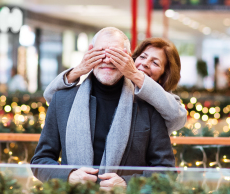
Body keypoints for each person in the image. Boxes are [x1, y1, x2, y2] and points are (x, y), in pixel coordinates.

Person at [31, 27, 176, 187]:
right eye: (101, 53)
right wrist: (68, 176)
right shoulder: (63, 100)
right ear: (90, 53)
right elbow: (40, 161)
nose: (107, 60)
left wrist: (128, 184)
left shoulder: (148, 104)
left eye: (115, 54)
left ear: (128, 58)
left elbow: (167, 171)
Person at [44, 37, 187, 135]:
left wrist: (134, 75)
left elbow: (177, 117)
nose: (145, 63)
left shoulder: (160, 105)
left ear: (165, 75)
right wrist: (79, 69)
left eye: (155, 63)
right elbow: (51, 96)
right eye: (142, 57)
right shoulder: (108, 86)